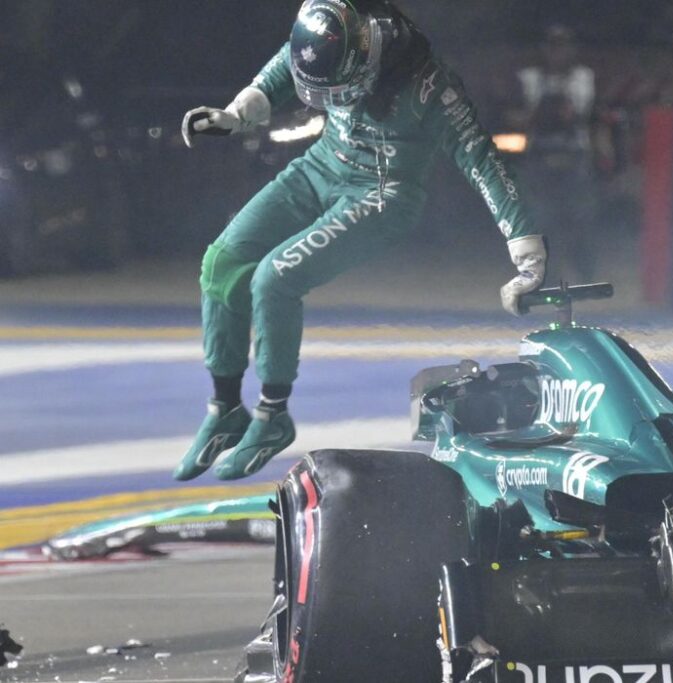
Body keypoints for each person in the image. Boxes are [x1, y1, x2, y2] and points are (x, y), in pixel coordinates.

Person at [174, 0, 546, 481]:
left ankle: (272, 415)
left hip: (382, 193)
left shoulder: (430, 88)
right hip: (323, 164)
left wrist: (527, 250)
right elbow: (290, 61)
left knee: (274, 278)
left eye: (340, 88)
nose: (335, 98)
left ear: (368, 60)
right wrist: (237, 114)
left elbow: (484, 162)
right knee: (221, 262)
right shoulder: (338, 29)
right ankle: (225, 406)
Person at [511, 25, 603, 281]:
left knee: (580, 218)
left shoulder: (584, 78)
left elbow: (588, 115)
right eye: (552, 47)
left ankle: (585, 275)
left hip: (575, 155)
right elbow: (515, 115)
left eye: (562, 47)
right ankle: (544, 275)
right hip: (540, 156)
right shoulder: (529, 78)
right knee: (541, 219)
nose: (557, 53)